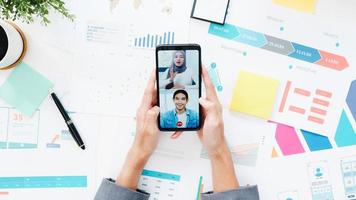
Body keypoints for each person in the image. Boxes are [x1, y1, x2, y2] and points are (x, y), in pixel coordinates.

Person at [94, 67, 260, 200]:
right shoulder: (168, 115)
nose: (179, 101)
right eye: (177, 99)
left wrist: (139, 150)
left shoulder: (191, 115)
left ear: (187, 101)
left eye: (183, 99)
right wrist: (218, 151)